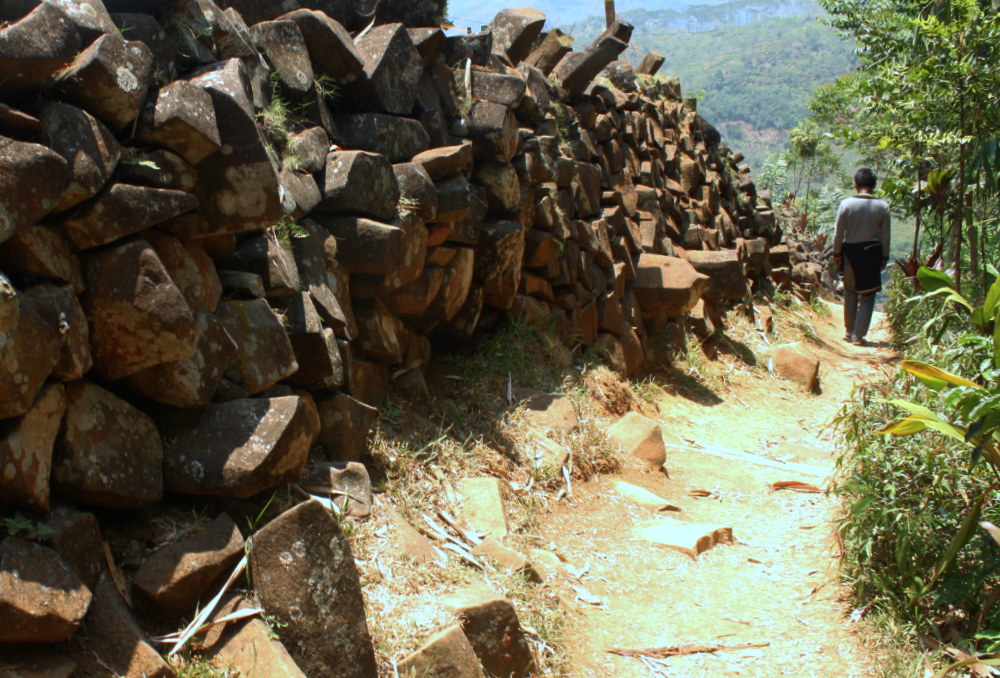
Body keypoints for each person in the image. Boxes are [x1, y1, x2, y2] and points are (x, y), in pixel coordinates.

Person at [833, 168, 891, 347]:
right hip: (872, 254)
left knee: (850, 291)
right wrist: (884, 257)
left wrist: (837, 254)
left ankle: (849, 330)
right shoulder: (883, 207)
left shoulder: (846, 205)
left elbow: (838, 234)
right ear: (874, 185)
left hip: (850, 253)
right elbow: (886, 237)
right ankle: (858, 336)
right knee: (867, 296)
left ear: (856, 184)